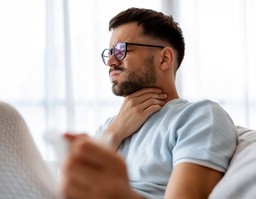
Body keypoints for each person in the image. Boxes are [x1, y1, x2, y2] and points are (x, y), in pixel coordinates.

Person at [61, 7, 238, 199]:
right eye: (110, 52)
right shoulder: (109, 127)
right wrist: (115, 131)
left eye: (121, 50)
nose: (111, 61)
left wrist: (118, 194)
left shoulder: (198, 116)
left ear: (164, 58)